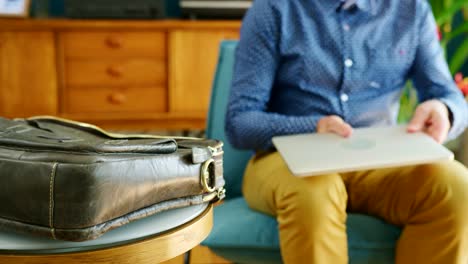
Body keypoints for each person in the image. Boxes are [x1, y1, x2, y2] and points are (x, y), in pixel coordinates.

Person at [225, 0, 468, 263]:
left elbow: (447, 96)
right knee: (315, 192)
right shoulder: (273, 9)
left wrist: (443, 109)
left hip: (380, 164)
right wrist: (314, 126)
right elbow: (240, 122)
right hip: (283, 161)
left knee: (457, 187)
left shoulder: (411, 9)